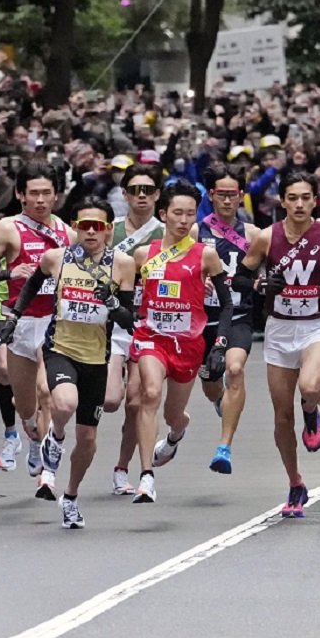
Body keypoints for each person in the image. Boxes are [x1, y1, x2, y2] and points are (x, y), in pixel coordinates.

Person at [7, 199, 136, 526]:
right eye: (84, 225)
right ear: (75, 227)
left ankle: (71, 496)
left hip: (96, 358)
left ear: (108, 229)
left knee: (89, 440)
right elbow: (33, 283)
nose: (90, 231)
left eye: (97, 226)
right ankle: (56, 437)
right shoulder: (56, 258)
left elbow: (129, 318)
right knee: (63, 404)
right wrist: (16, 315)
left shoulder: (122, 264)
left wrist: (111, 301)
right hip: (60, 349)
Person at [238, 172, 320, 518]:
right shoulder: (265, 238)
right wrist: (262, 285)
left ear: (315, 200)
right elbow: (241, 278)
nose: (300, 204)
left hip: (315, 327)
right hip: (278, 330)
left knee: (309, 386)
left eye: (306, 197)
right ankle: (295, 483)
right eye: (293, 198)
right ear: (283, 201)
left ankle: (312, 412)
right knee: (280, 416)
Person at [128, 181, 233, 503]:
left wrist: (221, 344)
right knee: (149, 394)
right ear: (164, 215)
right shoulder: (144, 254)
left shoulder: (206, 255)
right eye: (177, 213)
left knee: (175, 414)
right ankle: (146, 476)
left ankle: (176, 434)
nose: (184, 220)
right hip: (152, 339)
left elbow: (227, 304)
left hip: (189, 345)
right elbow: (130, 298)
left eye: (190, 214)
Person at [0, 163, 72, 484]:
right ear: (20, 195)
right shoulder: (7, 228)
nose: (40, 200)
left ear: (56, 195)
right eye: (33, 194)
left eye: (46, 193)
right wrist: (9, 272)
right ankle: (31, 437)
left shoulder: (68, 233)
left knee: (47, 393)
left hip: (52, 323)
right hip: (19, 323)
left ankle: (47, 474)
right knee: (26, 407)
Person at [197, 164, 259, 476]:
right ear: (211, 195)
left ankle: (224, 447)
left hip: (238, 315)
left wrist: (261, 285)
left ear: (240, 197)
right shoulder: (197, 231)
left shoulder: (253, 235)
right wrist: (199, 281)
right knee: (210, 382)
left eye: (232, 195)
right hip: (202, 320)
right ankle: (221, 401)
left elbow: (267, 273)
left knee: (234, 369)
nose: (226, 200)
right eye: (220, 194)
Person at [107, 165, 163, 495]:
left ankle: (123, 468)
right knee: (111, 400)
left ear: (157, 195)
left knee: (135, 402)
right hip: (111, 326)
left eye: (148, 190)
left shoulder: (166, 233)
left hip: (149, 326)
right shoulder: (108, 231)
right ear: (125, 194)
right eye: (135, 190)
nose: (141, 195)